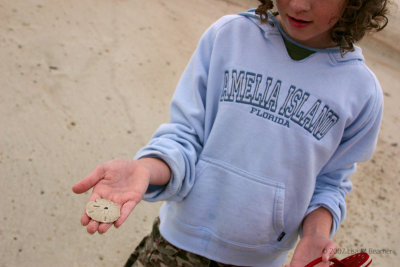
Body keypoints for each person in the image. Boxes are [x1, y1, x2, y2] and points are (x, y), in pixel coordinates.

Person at [72, 0, 390, 266]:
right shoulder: (229, 37)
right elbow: (185, 137)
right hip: (175, 247)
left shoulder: (361, 92)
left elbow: (330, 184)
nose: (298, 4)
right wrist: (144, 168)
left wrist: (315, 235)